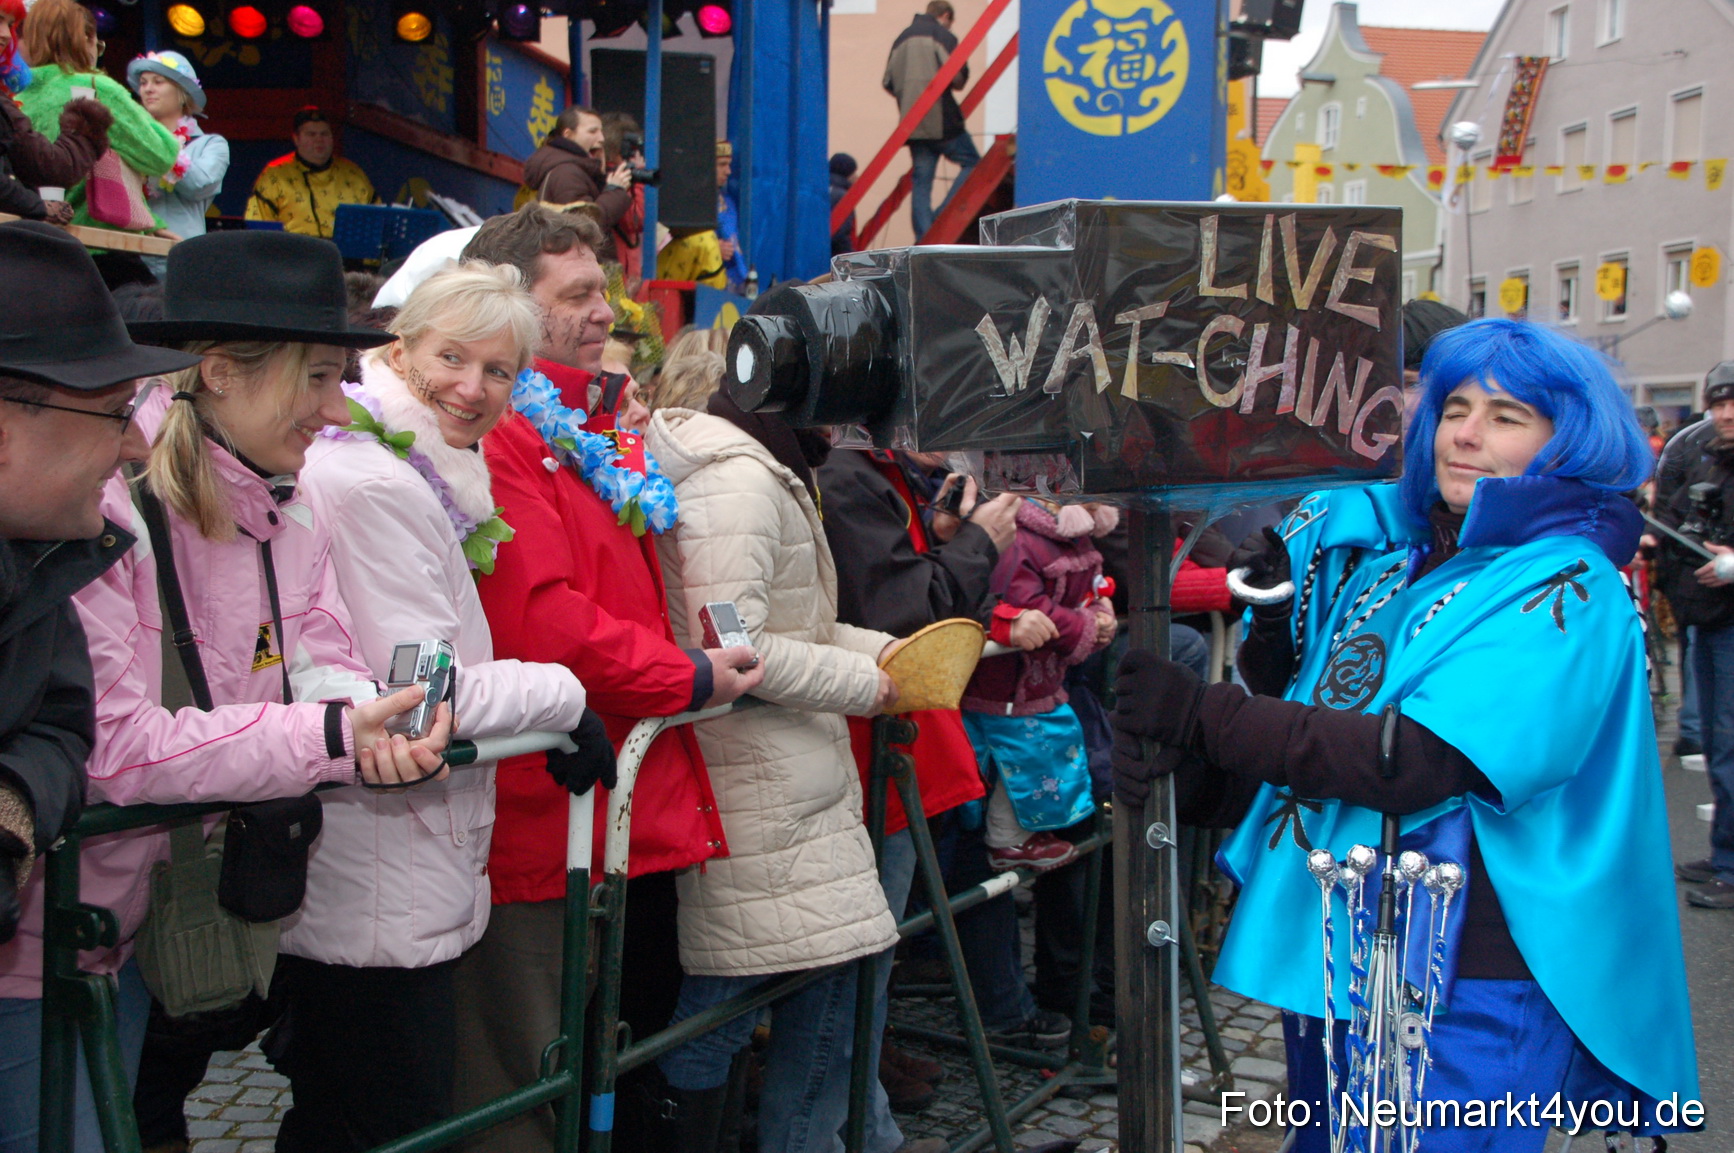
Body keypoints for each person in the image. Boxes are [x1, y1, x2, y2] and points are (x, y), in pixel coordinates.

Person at [1112, 318, 1696, 1151]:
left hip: (1476, 977)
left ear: (1566, 440)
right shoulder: (1409, 564)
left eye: (1506, 415)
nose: (1465, 432)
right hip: (1346, 950)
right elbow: (1319, 736)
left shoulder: (1573, 583)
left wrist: (1202, 715)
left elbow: (1409, 762)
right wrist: (1196, 766)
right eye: (1455, 405)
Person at [0, 229, 450, 1153]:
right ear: (223, 373)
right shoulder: (107, 510)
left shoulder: (293, 502)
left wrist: (361, 719)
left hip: (132, 927)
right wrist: (331, 732)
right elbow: (113, 743)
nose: (335, 410)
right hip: (48, 934)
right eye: (316, 378)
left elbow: (319, 650)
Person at [452, 205, 763, 1153]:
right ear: (509, 306)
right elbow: (546, 623)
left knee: (604, 1068)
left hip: (613, 804)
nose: (605, 311)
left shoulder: (588, 428)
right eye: (578, 294)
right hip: (546, 813)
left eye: (605, 289)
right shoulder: (501, 432)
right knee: (524, 1086)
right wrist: (689, 675)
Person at [281, 263, 607, 1151]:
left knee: (358, 1112)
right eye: (452, 357)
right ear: (400, 345)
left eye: (499, 370)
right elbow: (422, 687)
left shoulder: (419, 470)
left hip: (401, 866)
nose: (474, 387)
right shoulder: (378, 481)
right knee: (380, 1117)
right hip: (381, 874)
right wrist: (566, 693)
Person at [642, 387, 900, 1153]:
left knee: (806, 980)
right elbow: (736, 648)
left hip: (780, 770)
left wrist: (885, 656)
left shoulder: (762, 465)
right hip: (760, 774)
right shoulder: (742, 479)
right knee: (734, 998)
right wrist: (867, 680)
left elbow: (793, 628)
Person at [0, 220, 196, 981]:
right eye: (113, 413)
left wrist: (15, 798)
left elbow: (61, 727)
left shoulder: (47, 559)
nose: (138, 446)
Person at [818, 447, 1017, 1140]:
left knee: (865, 973)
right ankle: (860, 1128)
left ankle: (870, 1123)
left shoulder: (874, 473)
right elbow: (905, 608)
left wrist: (945, 541)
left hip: (900, 744)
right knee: (848, 982)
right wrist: (980, 542)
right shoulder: (848, 473)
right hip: (875, 747)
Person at [963, 499, 1117, 873]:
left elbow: (1094, 591)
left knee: (1040, 749)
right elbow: (1020, 603)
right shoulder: (1019, 538)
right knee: (1019, 753)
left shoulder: (1074, 535)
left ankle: (1016, 832)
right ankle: (1006, 838)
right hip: (1003, 682)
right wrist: (1085, 626)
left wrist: (1101, 617)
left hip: (1041, 678)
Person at [1655, 362, 1734, 908]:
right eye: (1719, 403)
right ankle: (1724, 851)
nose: (1726, 414)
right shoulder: (1706, 453)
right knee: (1716, 739)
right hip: (1709, 614)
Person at [15, 0, 178, 235]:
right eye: (98, 45)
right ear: (86, 40)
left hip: (30, 239)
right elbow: (161, 155)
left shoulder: (16, 98)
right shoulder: (95, 87)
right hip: (96, 243)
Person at [0, 0, 110, 224]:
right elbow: (162, 154)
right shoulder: (99, 85)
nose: (6, 35)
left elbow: (46, 163)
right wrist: (38, 207)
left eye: (9, 24)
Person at [883, 0, 977, 239]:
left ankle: (925, 235)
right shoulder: (942, 35)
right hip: (942, 119)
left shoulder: (900, 39)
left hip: (912, 124)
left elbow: (888, 82)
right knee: (973, 164)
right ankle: (939, 217)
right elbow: (958, 77)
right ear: (945, 16)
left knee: (921, 182)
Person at [125, 51, 226, 266]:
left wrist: (160, 146)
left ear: (182, 92)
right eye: (143, 83)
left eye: (158, 81)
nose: (147, 89)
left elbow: (198, 185)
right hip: (132, 256)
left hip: (183, 257)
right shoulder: (133, 142)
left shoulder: (211, 145)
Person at [246, 106, 375, 239]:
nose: (319, 140)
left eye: (324, 134)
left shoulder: (353, 174)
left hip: (345, 256)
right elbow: (257, 231)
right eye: (311, 134)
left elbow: (376, 225)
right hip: (295, 255)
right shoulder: (275, 175)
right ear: (296, 139)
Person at [521, 105, 631, 227]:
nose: (602, 138)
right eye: (592, 131)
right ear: (568, 135)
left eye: (601, 132)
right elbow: (587, 225)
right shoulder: (566, 172)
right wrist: (615, 190)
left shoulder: (571, 168)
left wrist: (601, 172)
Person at [829, 151, 857, 256]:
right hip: (834, 257)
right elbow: (841, 234)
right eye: (854, 172)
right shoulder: (842, 196)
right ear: (847, 173)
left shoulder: (820, 191)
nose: (856, 177)